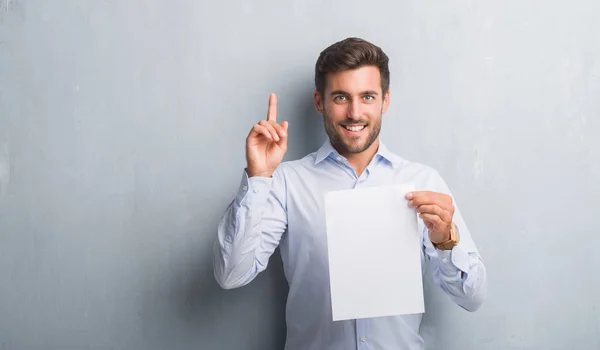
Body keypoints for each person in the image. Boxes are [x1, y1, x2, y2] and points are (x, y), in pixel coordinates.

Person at [213, 37, 487, 350]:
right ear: (320, 102)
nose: (354, 113)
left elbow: (473, 297)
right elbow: (230, 274)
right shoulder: (287, 182)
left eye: (367, 97)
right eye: (341, 97)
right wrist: (259, 177)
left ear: (385, 101)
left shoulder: (422, 180)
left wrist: (445, 240)